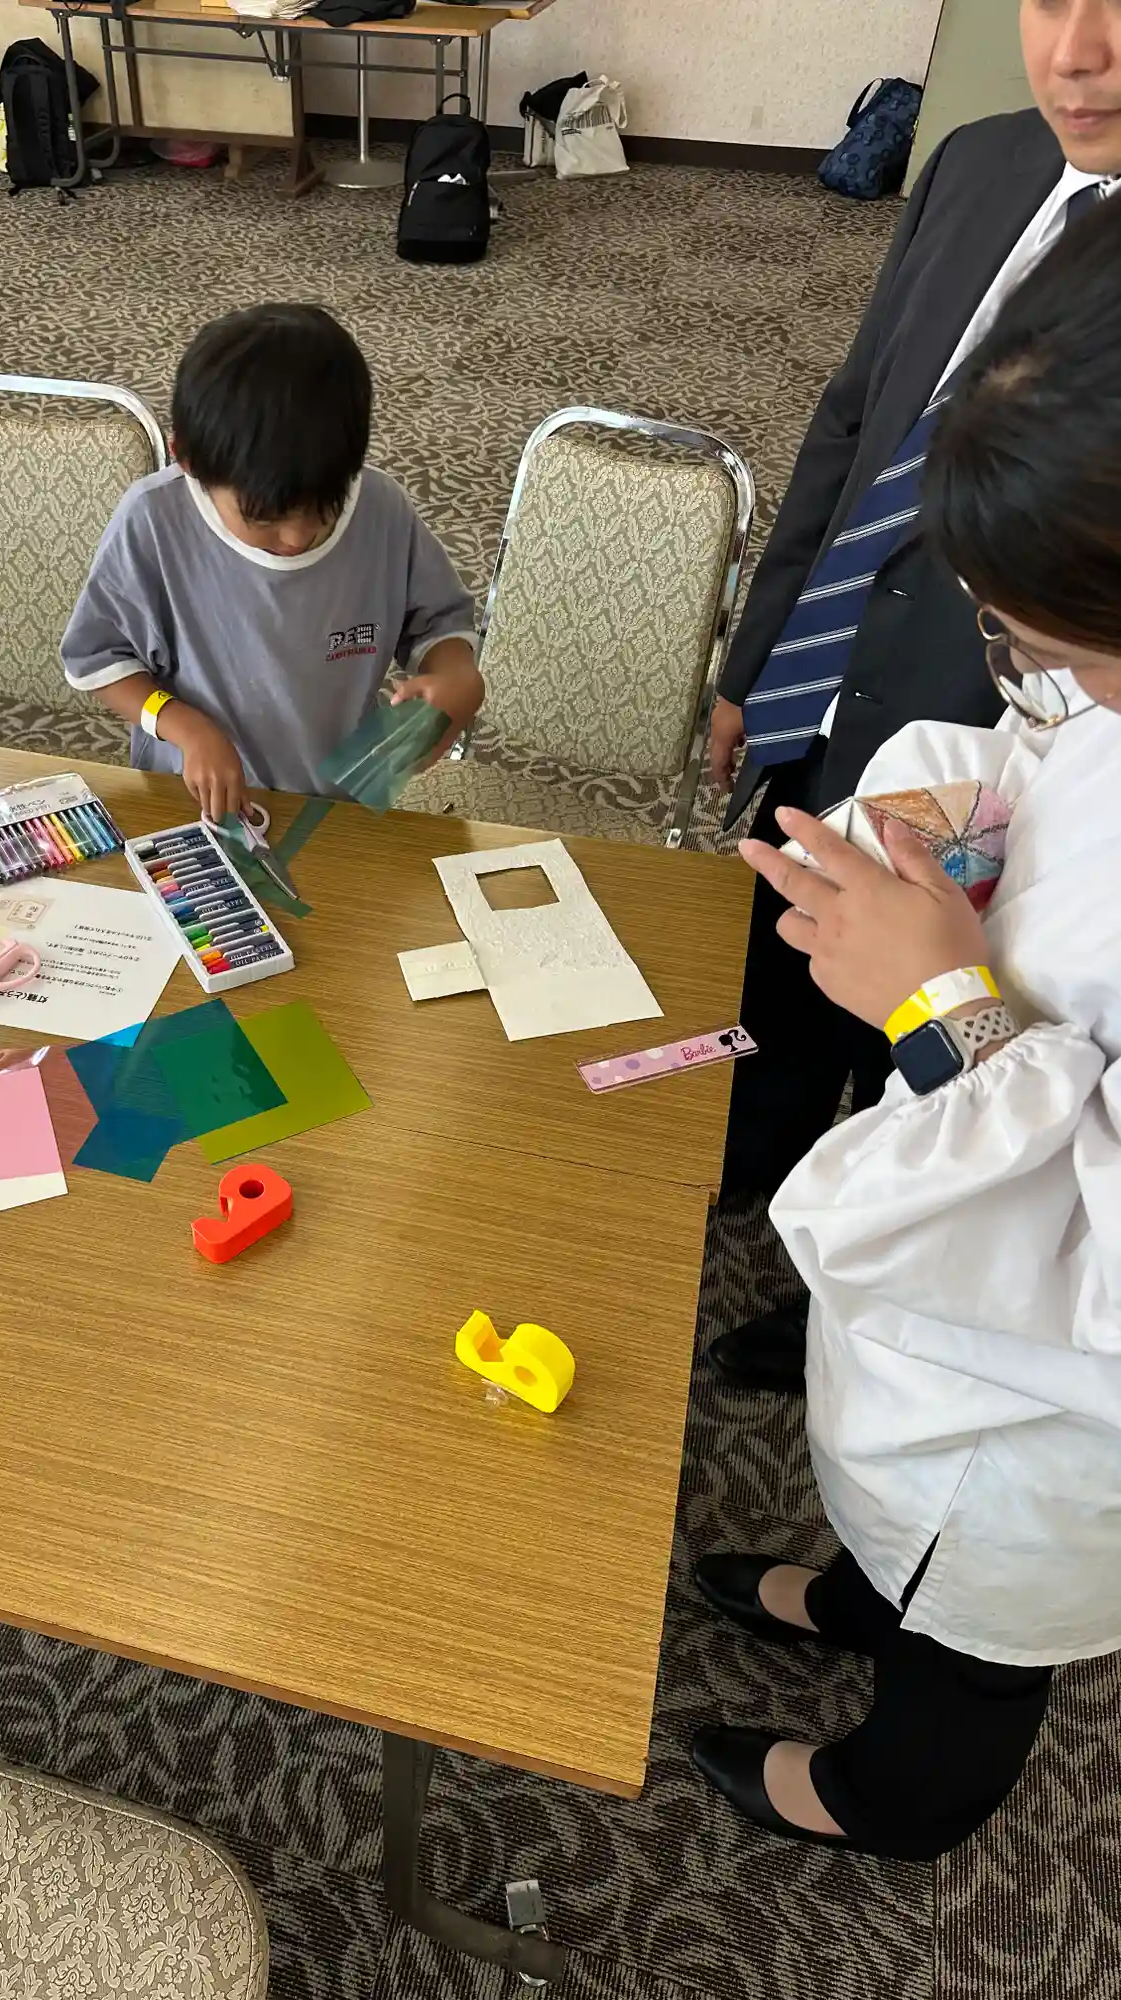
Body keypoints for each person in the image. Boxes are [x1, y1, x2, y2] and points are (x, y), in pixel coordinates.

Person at [690, 194, 1121, 1861]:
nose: (1043, 679)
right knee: (905, 1533)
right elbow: (1048, 759)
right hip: (957, 1337)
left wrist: (939, 1006)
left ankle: (897, 1800)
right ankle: (868, 1596)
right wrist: (954, 821)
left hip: (1048, 1416)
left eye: (1061, 645)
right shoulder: (1093, 682)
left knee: (977, 1632)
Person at [706, 0, 1121, 1394]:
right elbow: (856, 416)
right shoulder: (983, 161)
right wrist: (766, 664)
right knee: (783, 972)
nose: (1075, 53)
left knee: (895, 1054)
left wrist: (943, 1011)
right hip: (867, 712)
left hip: (1021, 1349)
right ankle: (745, 1177)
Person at [61, 303, 484, 818]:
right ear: (188, 460)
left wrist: (459, 678)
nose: (296, 537)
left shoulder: (381, 509)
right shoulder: (153, 521)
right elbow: (98, 661)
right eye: (263, 518)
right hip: (194, 803)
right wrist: (185, 728)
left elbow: (441, 626)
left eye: (325, 508)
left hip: (337, 807)